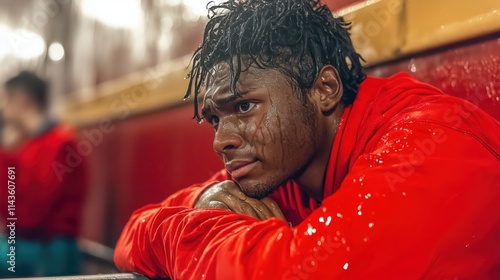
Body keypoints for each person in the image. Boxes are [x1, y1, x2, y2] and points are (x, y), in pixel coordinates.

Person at [114, 0, 500, 279]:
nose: (221, 141)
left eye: (245, 106)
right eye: (215, 119)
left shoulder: (430, 143)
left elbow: (296, 273)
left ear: (325, 89)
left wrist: (184, 231)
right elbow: (132, 233)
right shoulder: (287, 166)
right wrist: (202, 202)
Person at [0, 71, 87, 277]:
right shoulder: (29, 143)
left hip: (50, 249)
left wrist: (6, 154)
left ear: (20, 100)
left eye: (5, 100)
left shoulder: (60, 144)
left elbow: (29, 215)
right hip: (29, 242)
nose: (2, 109)